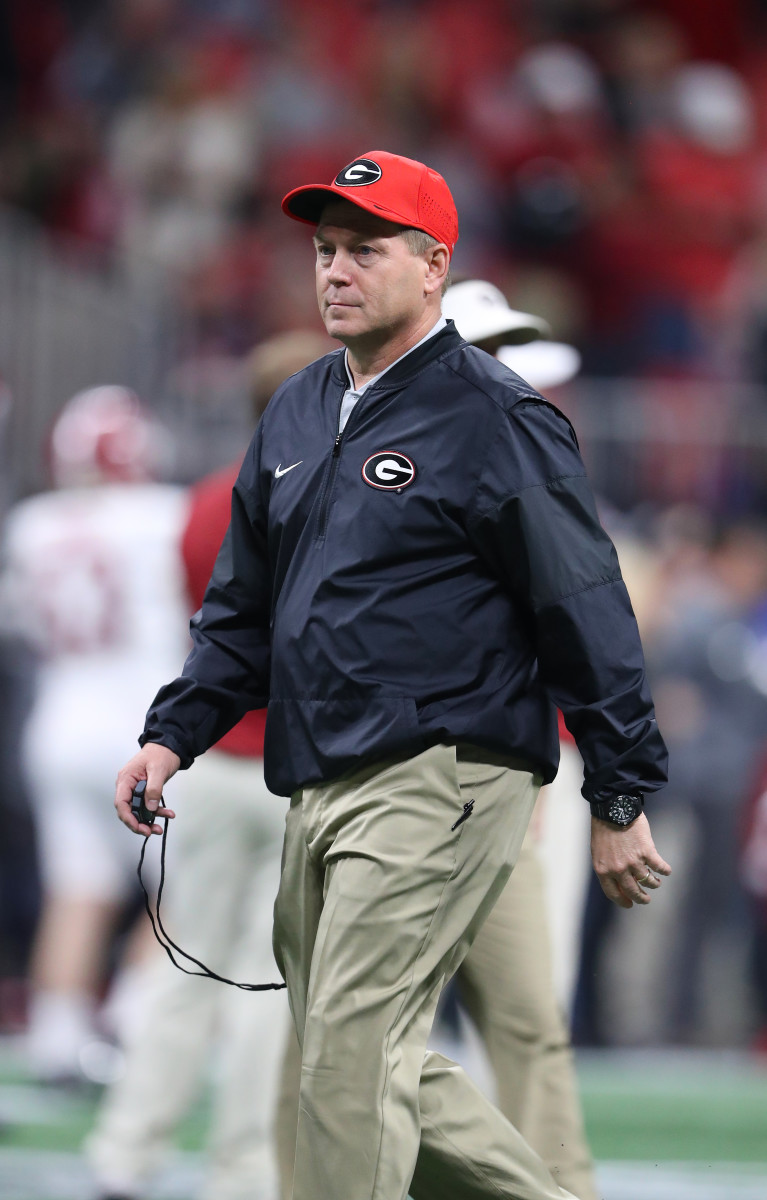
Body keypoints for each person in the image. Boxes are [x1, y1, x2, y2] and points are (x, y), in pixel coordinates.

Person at [114, 150, 670, 1200]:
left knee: (349, 1052)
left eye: (363, 250)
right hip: (317, 776)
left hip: (443, 773)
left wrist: (619, 786)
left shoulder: (494, 416)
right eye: (324, 250)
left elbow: (582, 605)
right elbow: (241, 609)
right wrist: (171, 732)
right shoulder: (293, 409)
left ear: (432, 267)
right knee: (351, 1048)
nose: (332, 271)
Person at [86, 331, 330, 1200]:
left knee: (182, 966)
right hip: (297, 769)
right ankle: (244, 1171)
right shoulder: (337, 493)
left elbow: (209, 629)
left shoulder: (200, 500)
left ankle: (126, 1151)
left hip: (212, 763)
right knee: (268, 984)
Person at [1, 385, 189, 1083]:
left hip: (58, 726)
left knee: (76, 887)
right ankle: (131, 1027)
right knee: (182, 886)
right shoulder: (164, 517)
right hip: (142, 729)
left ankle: (57, 1037)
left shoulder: (32, 524)